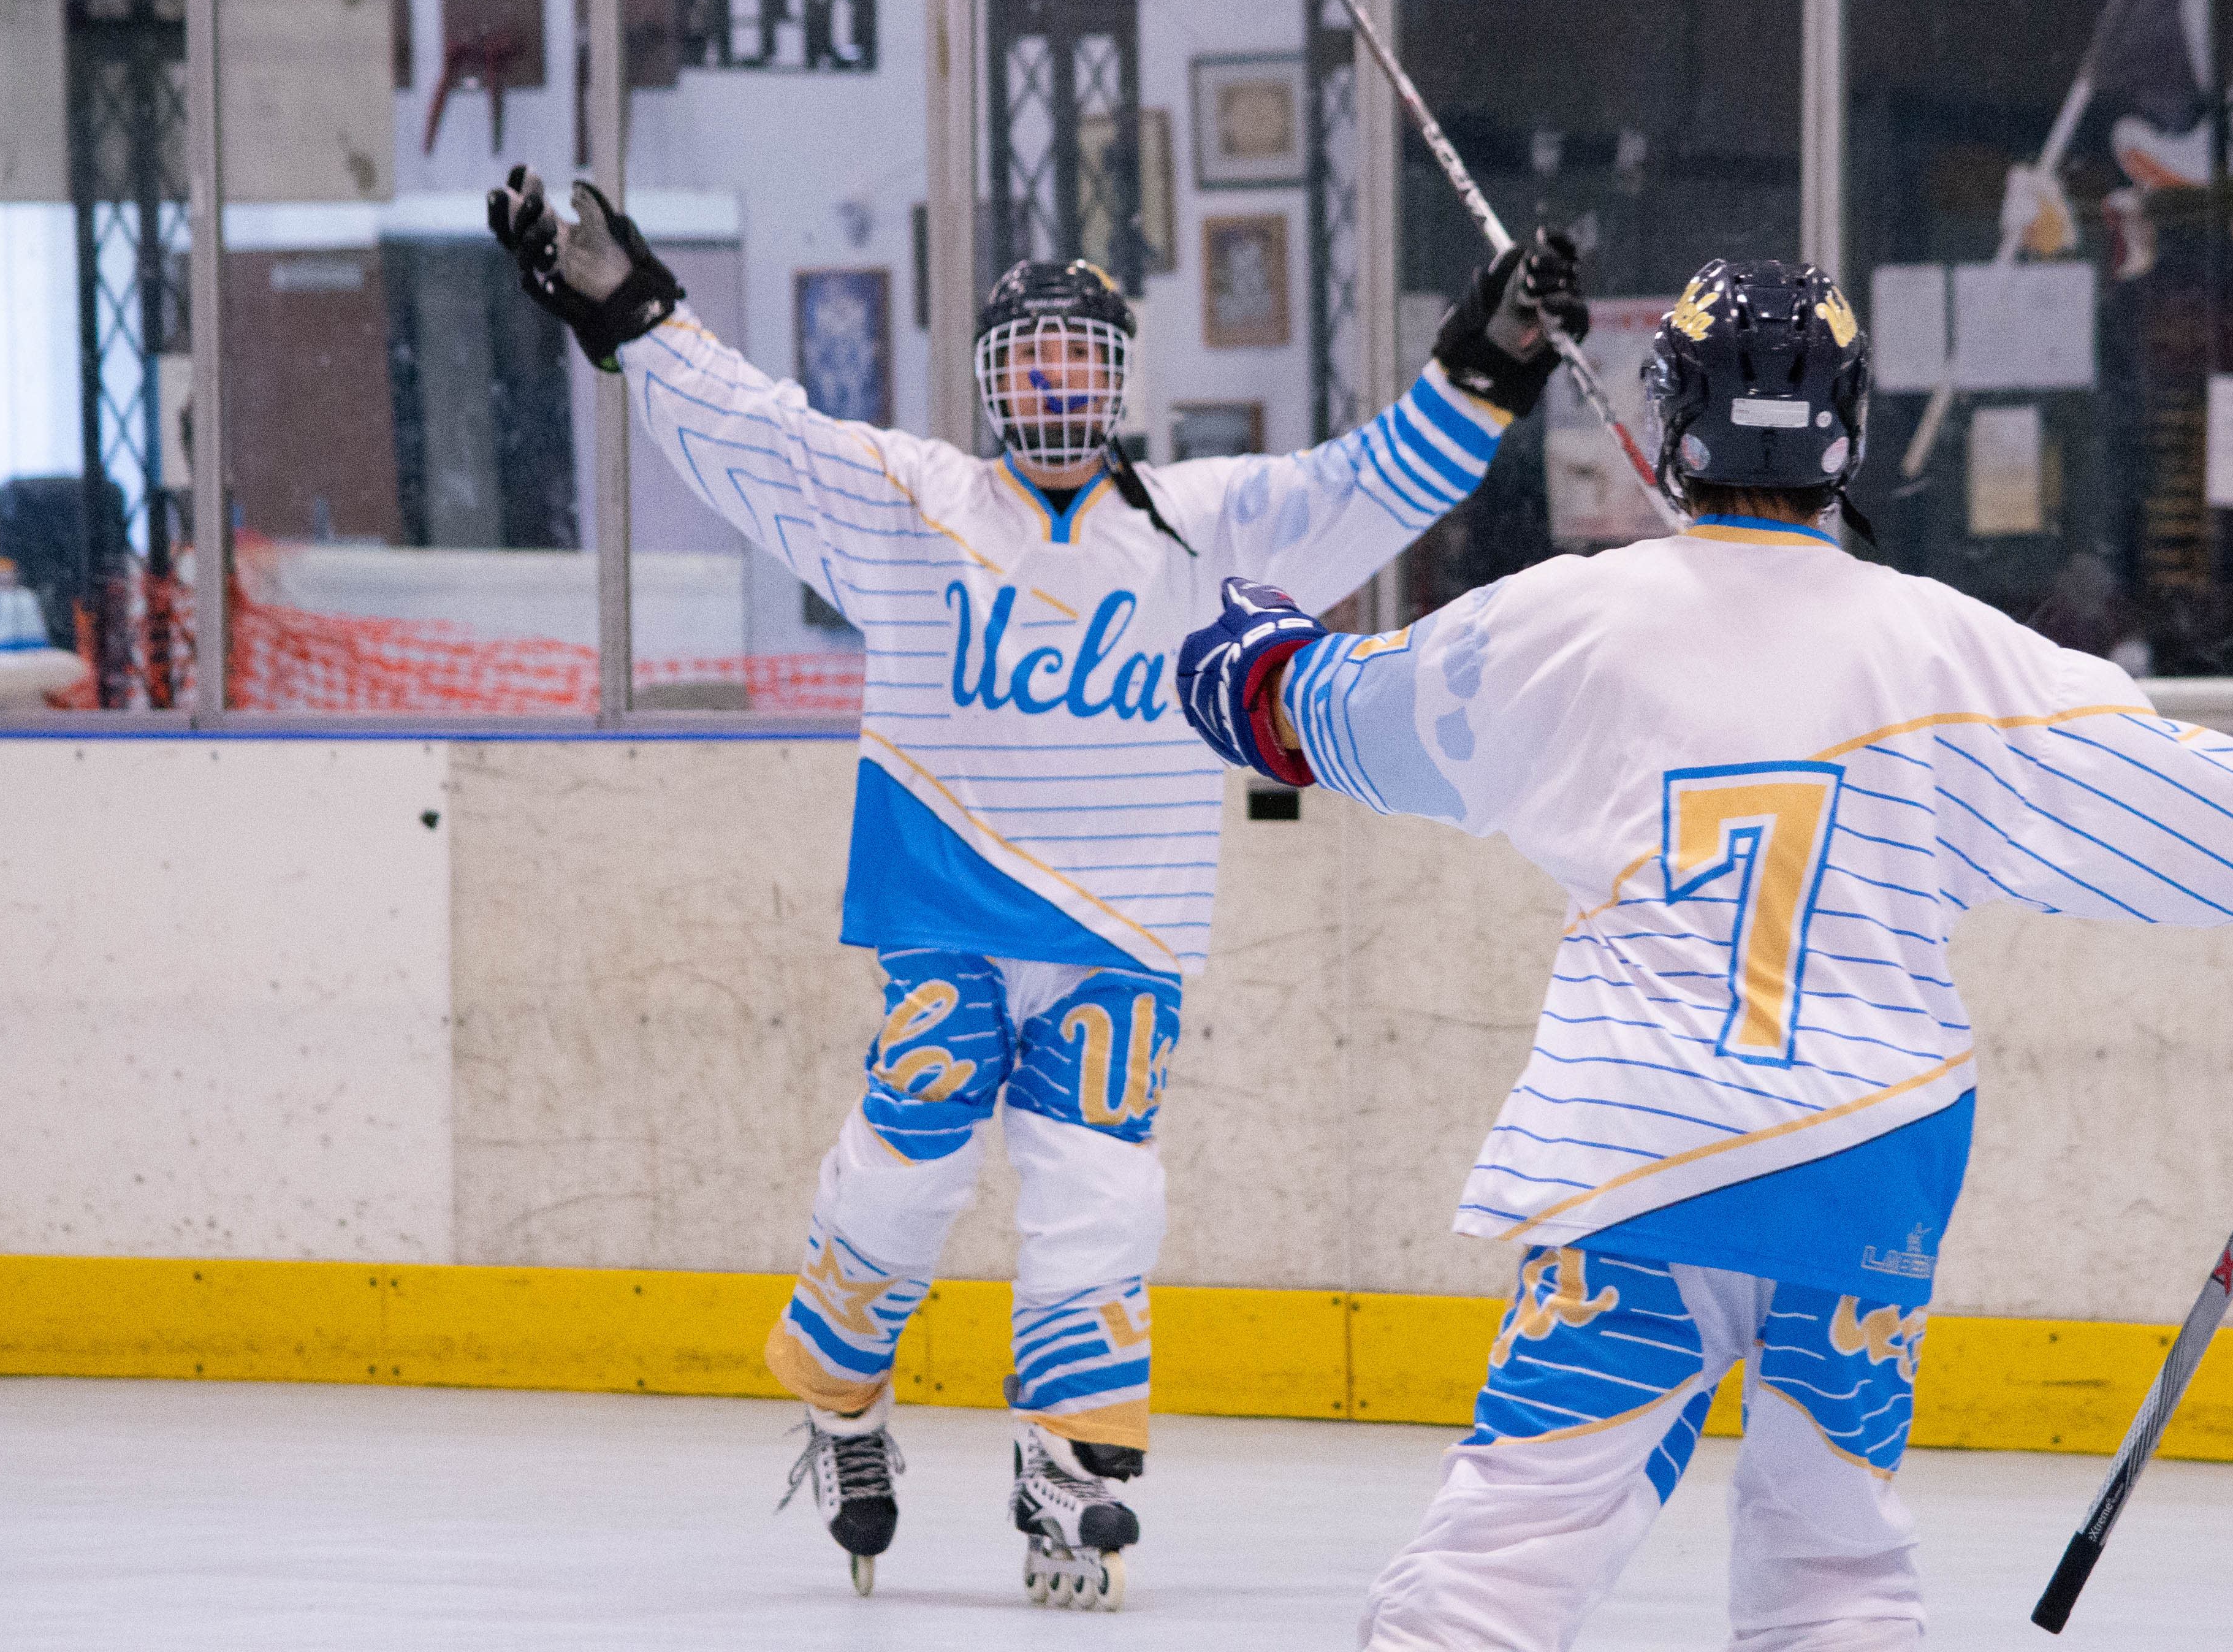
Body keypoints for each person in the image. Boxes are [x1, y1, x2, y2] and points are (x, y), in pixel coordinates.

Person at [1174, 257, 2233, 1650]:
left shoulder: (1572, 618)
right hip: (1866, 1169)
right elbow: (2176, 810)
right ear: (1844, 427)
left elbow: (1339, 719)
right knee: (1834, 1570)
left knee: (1509, 1556)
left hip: (1645, 1167)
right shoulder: (1948, 648)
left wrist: (1252, 665)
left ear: (1671, 421)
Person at [485, 166, 1585, 1605]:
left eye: (1083, 359)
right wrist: (635, 312)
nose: (1058, 384)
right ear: (996, 381)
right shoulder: (914, 507)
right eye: (1032, 359)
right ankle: (840, 1384)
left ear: (1119, 379)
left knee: (1099, 1189)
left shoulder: (1203, 523)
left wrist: (1487, 363)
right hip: (948, 909)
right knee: (908, 1155)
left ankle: (1068, 1460)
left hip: (1124, 934)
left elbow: (1363, 483)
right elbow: (761, 437)